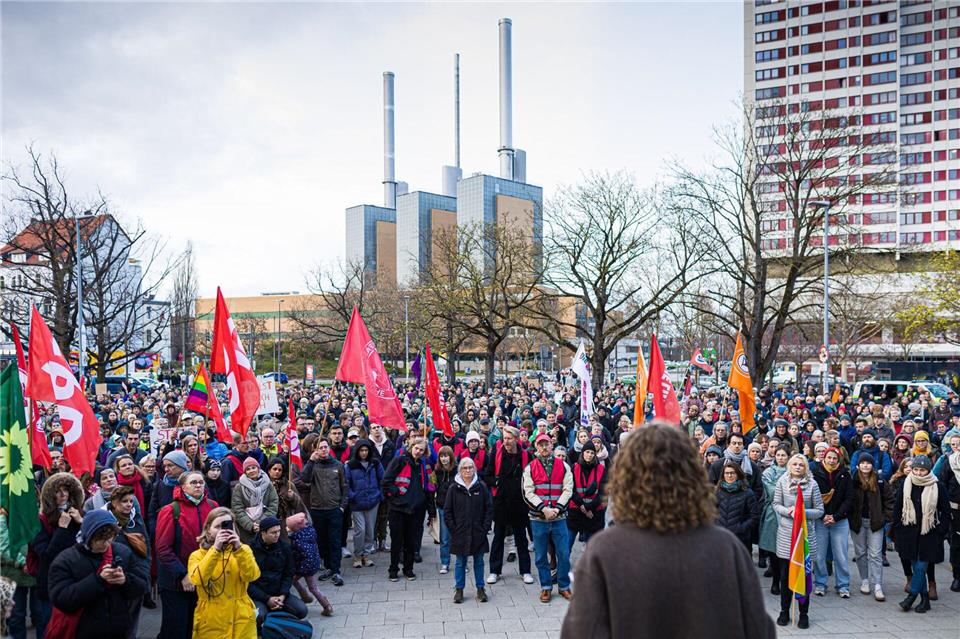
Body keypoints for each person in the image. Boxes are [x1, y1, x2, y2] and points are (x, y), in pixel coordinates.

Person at [561, 422, 775, 639]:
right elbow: (759, 629)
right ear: (691, 475)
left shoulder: (605, 549)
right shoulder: (726, 547)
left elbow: (581, 631)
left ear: (627, 477)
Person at [46, 510, 149, 639]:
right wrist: (98, 580)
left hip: (118, 630)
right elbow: (61, 599)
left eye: (110, 538)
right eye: (101, 540)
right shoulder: (66, 560)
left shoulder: (123, 552)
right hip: (82, 632)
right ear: (88, 536)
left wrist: (125, 580)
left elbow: (142, 586)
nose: (106, 544)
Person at [154, 470, 217, 639]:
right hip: (176, 582)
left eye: (201, 482)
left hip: (205, 579)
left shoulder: (213, 507)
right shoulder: (170, 510)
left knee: (198, 627)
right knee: (176, 629)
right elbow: (162, 549)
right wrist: (183, 574)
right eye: (193, 482)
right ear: (182, 487)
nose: (198, 485)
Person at [27, 472, 85, 639]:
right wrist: (61, 529)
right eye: (58, 490)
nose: (63, 494)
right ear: (50, 495)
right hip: (50, 584)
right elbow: (46, 556)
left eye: (66, 489)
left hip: (76, 581)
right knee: (48, 627)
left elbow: (90, 547)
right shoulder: (40, 520)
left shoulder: (78, 515)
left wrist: (82, 523)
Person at [188, 508, 260, 639]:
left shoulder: (243, 550)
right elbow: (197, 580)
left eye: (227, 526)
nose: (223, 530)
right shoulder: (197, 555)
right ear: (208, 529)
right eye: (218, 527)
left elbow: (252, 575)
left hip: (241, 617)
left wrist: (239, 549)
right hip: (211, 619)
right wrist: (215, 549)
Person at [772, 453, 824, 629]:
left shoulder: (812, 484)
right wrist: (789, 511)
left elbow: (819, 510)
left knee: (803, 576)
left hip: (805, 535)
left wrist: (803, 512)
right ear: (789, 466)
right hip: (787, 535)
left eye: (801, 465)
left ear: (805, 467)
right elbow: (776, 504)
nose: (797, 467)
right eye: (794, 464)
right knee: (786, 576)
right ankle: (784, 611)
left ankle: (803, 613)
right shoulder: (782, 482)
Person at [893, 454, 950, 612]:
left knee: (921, 566)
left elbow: (946, 511)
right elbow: (898, 506)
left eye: (922, 470)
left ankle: (911, 597)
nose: (918, 473)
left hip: (929, 533)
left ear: (928, 470)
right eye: (916, 469)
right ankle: (925, 600)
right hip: (908, 531)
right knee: (916, 565)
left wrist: (940, 531)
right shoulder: (906, 482)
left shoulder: (938, 486)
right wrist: (898, 526)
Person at [522, 432, 574, 603]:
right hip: (538, 519)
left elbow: (568, 489)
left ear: (551, 445)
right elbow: (527, 492)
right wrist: (544, 509)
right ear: (536, 447)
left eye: (547, 444)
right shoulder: (530, 468)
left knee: (564, 554)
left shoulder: (564, 466)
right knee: (540, 556)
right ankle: (546, 587)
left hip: (559, 518)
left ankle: (564, 586)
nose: (544, 447)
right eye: (540, 444)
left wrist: (557, 509)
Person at [484, 426, 533, 585]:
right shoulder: (496, 454)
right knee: (498, 537)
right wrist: (496, 482)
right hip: (501, 502)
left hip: (520, 503)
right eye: (504, 438)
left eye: (509, 438)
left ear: (516, 439)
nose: (506, 441)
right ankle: (494, 571)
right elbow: (488, 475)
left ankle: (525, 571)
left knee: (521, 539)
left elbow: (531, 477)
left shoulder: (526, 455)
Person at [296, 438, 348, 586]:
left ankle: (336, 570)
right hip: (317, 509)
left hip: (334, 509)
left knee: (335, 541)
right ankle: (328, 568)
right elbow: (304, 478)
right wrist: (311, 462)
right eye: (320, 448)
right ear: (315, 450)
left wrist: (342, 507)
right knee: (322, 541)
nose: (324, 450)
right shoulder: (312, 465)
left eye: (325, 447)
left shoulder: (338, 465)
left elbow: (344, 486)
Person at [443, 457, 494, 604]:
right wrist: (454, 529)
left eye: (471, 467)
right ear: (460, 470)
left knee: (479, 561)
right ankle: (459, 589)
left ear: (475, 469)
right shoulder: (453, 488)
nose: (468, 470)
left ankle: (480, 588)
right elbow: (447, 511)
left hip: (478, 531)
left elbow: (489, 509)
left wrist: (485, 528)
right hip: (460, 532)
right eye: (465, 468)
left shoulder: (481, 486)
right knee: (460, 562)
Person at [382, 437, 430, 581]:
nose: (418, 452)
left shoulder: (421, 464)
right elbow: (386, 482)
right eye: (417, 448)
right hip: (398, 508)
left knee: (411, 542)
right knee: (397, 542)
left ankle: (408, 569)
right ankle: (393, 570)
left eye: (422, 450)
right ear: (411, 446)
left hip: (415, 510)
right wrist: (396, 495)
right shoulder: (400, 460)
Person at [105, 485, 150, 638]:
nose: (129, 505)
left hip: (134, 578)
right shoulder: (104, 520)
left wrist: (144, 572)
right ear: (114, 502)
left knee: (131, 624)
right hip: (112, 580)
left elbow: (146, 546)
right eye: (124, 501)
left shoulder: (135, 518)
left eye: (131, 501)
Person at [848, 454, 893, 602]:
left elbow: (889, 500)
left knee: (875, 554)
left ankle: (878, 584)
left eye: (868, 463)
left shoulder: (880, 481)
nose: (866, 466)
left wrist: (885, 518)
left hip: (875, 523)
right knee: (860, 553)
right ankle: (865, 580)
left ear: (873, 465)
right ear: (858, 465)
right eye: (863, 463)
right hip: (858, 522)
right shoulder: (853, 480)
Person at [248, 516, 308, 625]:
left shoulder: (284, 547)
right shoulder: (250, 550)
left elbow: (288, 573)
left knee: (302, 610)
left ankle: (276, 611)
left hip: (279, 592)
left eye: (279, 531)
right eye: (273, 533)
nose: (277, 535)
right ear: (263, 533)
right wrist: (267, 599)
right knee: (258, 616)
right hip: (259, 595)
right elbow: (247, 583)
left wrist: (282, 595)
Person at [811, 446, 852, 597]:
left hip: (839, 520)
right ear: (824, 458)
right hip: (820, 520)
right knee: (819, 555)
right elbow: (813, 498)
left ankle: (843, 585)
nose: (832, 460)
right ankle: (820, 583)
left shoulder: (845, 474)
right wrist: (823, 516)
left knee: (840, 555)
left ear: (839, 459)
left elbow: (849, 498)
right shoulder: (815, 473)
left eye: (835, 458)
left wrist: (836, 516)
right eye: (829, 457)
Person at [346, 438, 384, 568]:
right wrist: (352, 496)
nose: (364, 453)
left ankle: (366, 554)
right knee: (359, 530)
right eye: (361, 450)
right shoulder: (350, 465)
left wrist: (379, 495)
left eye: (366, 450)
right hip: (357, 502)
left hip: (373, 501)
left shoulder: (375, 463)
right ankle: (358, 554)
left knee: (370, 530)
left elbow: (382, 479)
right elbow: (346, 483)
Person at [760, 445, 790, 595]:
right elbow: (772, 492)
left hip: (790, 513)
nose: (780, 458)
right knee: (773, 549)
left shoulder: (794, 470)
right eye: (778, 455)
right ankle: (775, 580)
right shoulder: (768, 472)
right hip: (773, 513)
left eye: (784, 455)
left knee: (787, 550)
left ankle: (787, 580)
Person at [567, 440, 607, 552]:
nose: (589, 455)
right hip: (576, 511)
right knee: (566, 546)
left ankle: (589, 569)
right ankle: (563, 569)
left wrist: (589, 507)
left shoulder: (601, 469)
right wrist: (583, 506)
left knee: (591, 550)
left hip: (594, 513)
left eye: (592, 453)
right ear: (583, 453)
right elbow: (570, 489)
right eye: (587, 452)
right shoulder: (574, 468)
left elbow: (603, 492)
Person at [934, 431, 960, 592]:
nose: (956, 447)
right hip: (955, 510)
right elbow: (941, 483)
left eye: (959, 444)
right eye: (954, 444)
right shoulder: (948, 461)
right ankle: (957, 576)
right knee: (956, 545)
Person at [232, 457, 279, 546]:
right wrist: (250, 525)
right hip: (246, 530)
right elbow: (237, 508)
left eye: (253, 467)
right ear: (245, 472)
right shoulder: (239, 487)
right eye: (248, 469)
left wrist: (261, 522)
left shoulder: (268, 484)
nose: (251, 471)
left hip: (266, 528)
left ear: (258, 468)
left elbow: (273, 504)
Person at [714, 461, 760, 549]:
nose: (729, 476)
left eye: (732, 473)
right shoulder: (717, 492)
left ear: (738, 474)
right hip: (720, 536)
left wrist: (741, 528)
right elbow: (711, 512)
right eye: (726, 473)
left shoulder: (747, 493)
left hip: (740, 538)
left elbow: (754, 516)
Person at [431, 446, 458, 574]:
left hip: (457, 508)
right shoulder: (436, 471)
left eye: (446, 456)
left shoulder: (457, 471)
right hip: (442, 507)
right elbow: (432, 488)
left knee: (458, 536)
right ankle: (445, 562)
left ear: (451, 456)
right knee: (445, 538)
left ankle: (461, 562)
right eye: (441, 456)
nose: (444, 458)